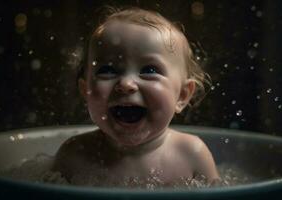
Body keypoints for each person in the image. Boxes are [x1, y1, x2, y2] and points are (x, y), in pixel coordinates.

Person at [52, 7, 220, 188]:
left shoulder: (191, 154)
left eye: (149, 70)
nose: (126, 84)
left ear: (182, 95)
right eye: (107, 70)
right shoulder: (74, 155)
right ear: (86, 91)